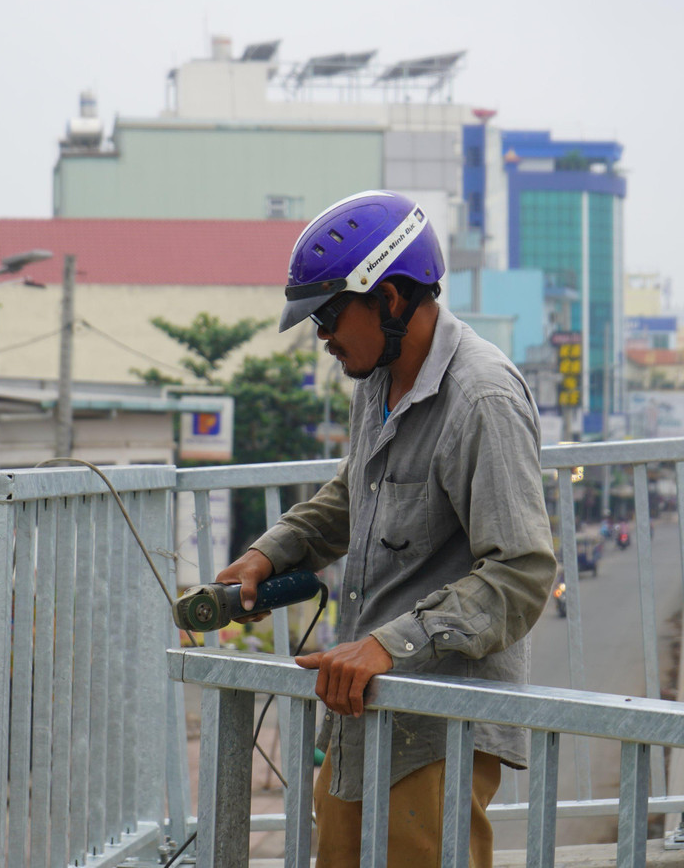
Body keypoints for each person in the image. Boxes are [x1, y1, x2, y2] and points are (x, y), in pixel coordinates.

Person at [215, 190, 557, 868]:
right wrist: (268, 551)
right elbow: (354, 492)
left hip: (436, 728)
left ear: (392, 299)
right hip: (361, 710)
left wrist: (388, 645)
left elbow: (521, 573)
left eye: (331, 316)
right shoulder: (376, 379)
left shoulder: (481, 398)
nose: (323, 337)